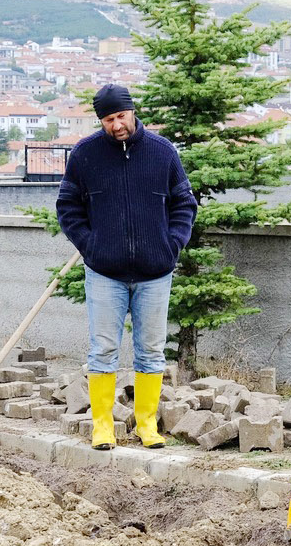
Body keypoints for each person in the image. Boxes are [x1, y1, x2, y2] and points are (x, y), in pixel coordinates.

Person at [54, 84, 197, 449]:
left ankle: (146, 425)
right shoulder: (85, 155)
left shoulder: (162, 152)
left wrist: (172, 245)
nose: (116, 125)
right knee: (103, 349)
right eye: (108, 119)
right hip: (104, 272)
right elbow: (68, 207)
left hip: (155, 272)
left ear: (132, 111)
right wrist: (91, 246)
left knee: (151, 350)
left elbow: (184, 203)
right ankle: (103, 425)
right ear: (100, 120)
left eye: (120, 116)